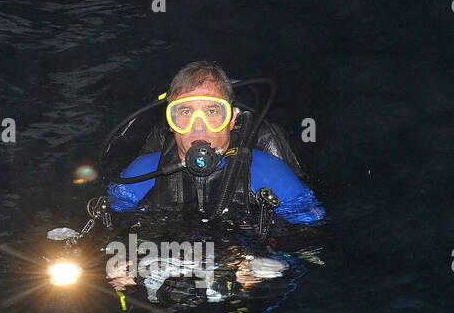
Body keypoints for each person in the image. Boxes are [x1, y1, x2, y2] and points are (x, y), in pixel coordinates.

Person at [106, 61, 324, 229]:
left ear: (231, 120)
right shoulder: (142, 173)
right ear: (170, 124)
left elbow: (310, 235)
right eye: (185, 112)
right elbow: (108, 224)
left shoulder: (271, 173)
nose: (198, 126)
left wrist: (268, 262)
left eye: (212, 112)